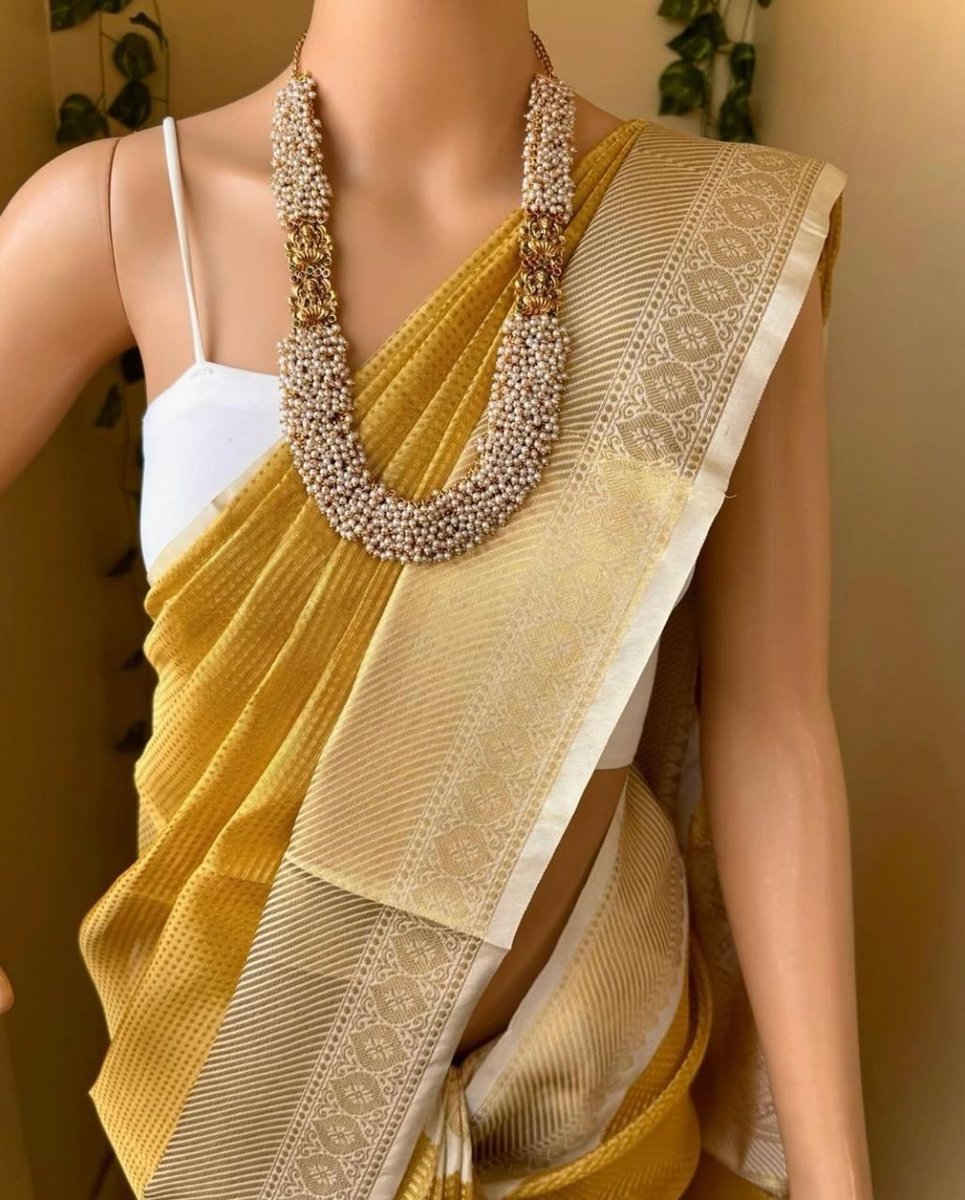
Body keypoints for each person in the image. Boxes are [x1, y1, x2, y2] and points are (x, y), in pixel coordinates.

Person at [0, 3, 872, 1197]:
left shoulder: (713, 245)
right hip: (242, 1109)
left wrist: (833, 1173)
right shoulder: (126, 211)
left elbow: (770, 717)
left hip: (593, 1109)